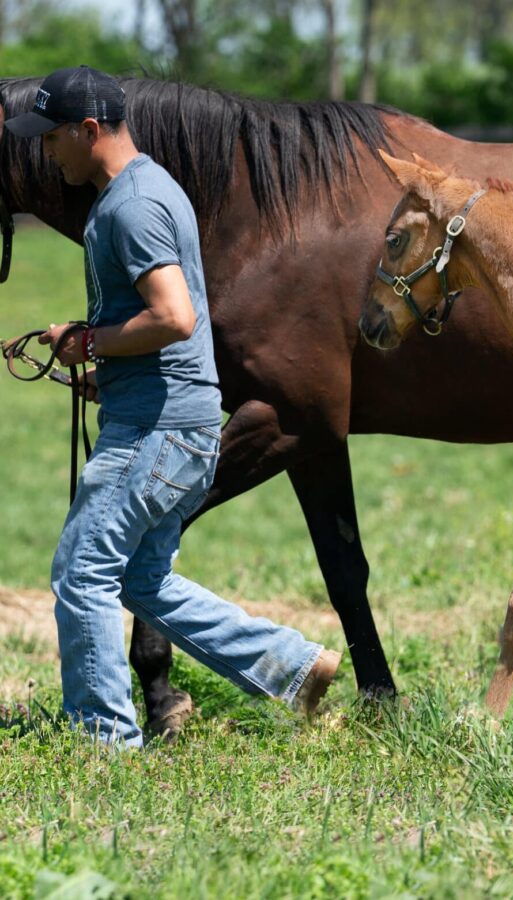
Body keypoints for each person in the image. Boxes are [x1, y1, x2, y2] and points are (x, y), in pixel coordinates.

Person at [5, 66, 341, 748]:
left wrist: (89, 341)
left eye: (50, 140)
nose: (44, 154)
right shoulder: (153, 188)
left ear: (88, 130)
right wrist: (110, 373)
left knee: (83, 570)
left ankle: (102, 739)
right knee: (140, 578)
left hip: (154, 433)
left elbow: (175, 315)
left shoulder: (130, 207)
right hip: (171, 418)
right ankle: (292, 665)